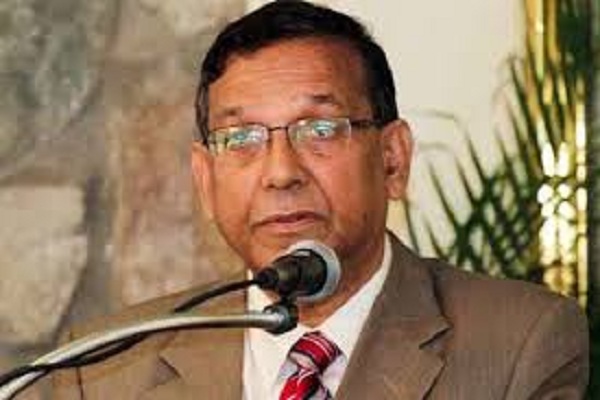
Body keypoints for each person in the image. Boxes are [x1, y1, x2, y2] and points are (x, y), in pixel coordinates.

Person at [42, 1, 588, 399]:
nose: (281, 173)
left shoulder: (518, 344)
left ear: (392, 159)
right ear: (205, 181)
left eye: (320, 130)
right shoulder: (104, 368)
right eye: (242, 138)